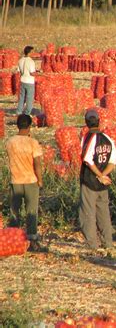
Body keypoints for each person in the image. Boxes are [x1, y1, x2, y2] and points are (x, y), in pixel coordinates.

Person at [6, 114, 46, 252]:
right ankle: (32, 241)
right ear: (29, 127)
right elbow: (37, 164)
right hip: (30, 181)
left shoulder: (10, 142)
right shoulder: (33, 143)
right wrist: (40, 180)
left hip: (15, 181)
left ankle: (12, 240)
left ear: (17, 126)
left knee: (14, 211)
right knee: (31, 212)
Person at [79, 109, 116, 250]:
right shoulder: (108, 139)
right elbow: (113, 161)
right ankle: (108, 244)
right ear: (99, 121)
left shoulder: (87, 138)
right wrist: (104, 175)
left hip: (89, 182)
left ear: (86, 123)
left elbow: (87, 160)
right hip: (103, 184)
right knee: (104, 214)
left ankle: (92, 246)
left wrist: (99, 175)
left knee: (87, 214)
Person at [17, 46, 36, 116]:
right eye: (32, 52)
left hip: (22, 80)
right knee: (29, 98)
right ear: (30, 52)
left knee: (22, 97)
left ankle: (19, 112)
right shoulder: (31, 61)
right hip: (29, 82)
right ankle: (27, 113)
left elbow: (19, 71)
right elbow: (32, 73)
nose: (33, 53)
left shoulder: (20, 60)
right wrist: (38, 73)